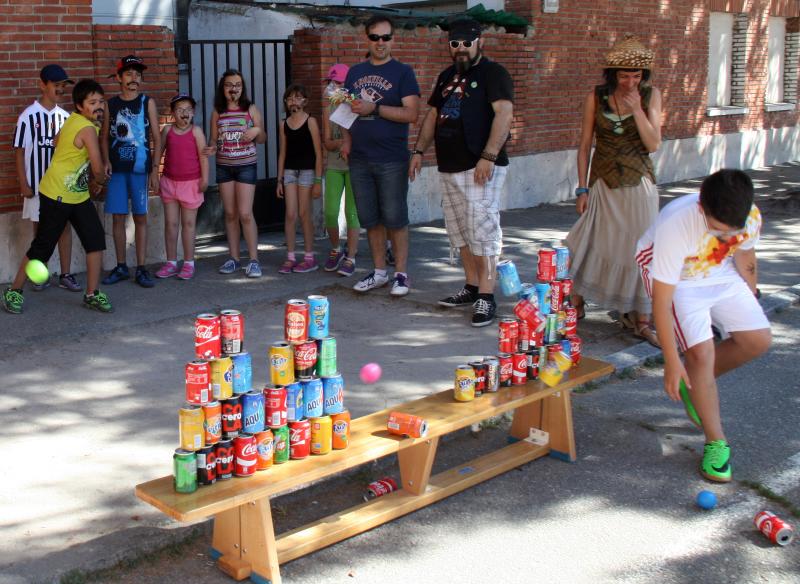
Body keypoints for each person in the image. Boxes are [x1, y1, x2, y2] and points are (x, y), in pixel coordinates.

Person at [636, 169, 771, 483]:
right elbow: (662, 300)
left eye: (730, 233)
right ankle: (716, 442)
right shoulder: (677, 224)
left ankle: (695, 385)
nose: (725, 237)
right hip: (677, 279)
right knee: (700, 354)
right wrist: (671, 361)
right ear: (702, 208)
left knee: (758, 340)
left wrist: (751, 297)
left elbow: (745, 255)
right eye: (717, 230)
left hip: (717, 270)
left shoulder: (748, 215)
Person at [409, 18, 514, 327]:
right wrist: (418, 151)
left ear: (479, 42)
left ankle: (487, 294)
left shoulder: (494, 73)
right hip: (449, 166)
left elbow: (504, 114)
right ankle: (471, 286)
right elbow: (431, 115)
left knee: (483, 231)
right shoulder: (446, 76)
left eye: (466, 43)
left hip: (479, 166)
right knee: (460, 232)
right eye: (455, 44)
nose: (460, 49)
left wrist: (489, 156)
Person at [565, 35, 662, 346]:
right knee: (587, 240)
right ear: (612, 74)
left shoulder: (651, 96)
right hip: (602, 182)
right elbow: (583, 147)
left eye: (636, 76)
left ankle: (641, 318)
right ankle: (575, 304)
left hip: (638, 184)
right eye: (624, 76)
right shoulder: (596, 96)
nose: (630, 82)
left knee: (640, 249)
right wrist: (581, 189)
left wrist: (637, 111)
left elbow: (653, 144)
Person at [3, 79, 112, 314]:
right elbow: (97, 168)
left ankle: (92, 294)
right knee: (42, 248)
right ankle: (14, 291)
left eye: (101, 102)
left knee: (95, 241)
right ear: (80, 106)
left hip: (77, 195)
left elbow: (55, 141)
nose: (99, 106)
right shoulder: (87, 129)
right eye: (92, 102)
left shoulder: (72, 119)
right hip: (56, 195)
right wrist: (101, 180)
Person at [341, 15, 420, 296]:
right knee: (370, 220)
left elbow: (411, 113)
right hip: (360, 157)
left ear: (393, 40)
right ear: (367, 39)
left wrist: (374, 109)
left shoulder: (403, 73)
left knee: (395, 218)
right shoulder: (354, 72)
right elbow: (347, 112)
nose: (380, 43)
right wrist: (347, 141)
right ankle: (379, 273)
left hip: (391, 158)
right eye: (375, 37)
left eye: (386, 37)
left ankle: (400, 274)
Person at [13, 64, 80, 292]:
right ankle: (38, 272)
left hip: (62, 187)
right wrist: (23, 183)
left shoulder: (66, 118)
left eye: (63, 85)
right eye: (56, 85)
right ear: (42, 85)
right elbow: (20, 152)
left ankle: (66, 273)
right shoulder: (28, 117)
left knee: (64, 228)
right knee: (40, 231)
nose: (60, 89)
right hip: (37, 186)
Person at [100, 55, 161, 288]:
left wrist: (155, 170)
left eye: (137, 74)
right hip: (117, 171)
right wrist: (105, 160)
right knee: (117, 217)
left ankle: (142, 268)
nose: (134, 78)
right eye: (128, 73)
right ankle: (121, 266)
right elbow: (104, 136)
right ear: (118, 77)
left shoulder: (148, 103)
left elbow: (156, 137)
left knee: (141, 217)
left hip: (140, 170)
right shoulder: (111, 104)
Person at [209, 69, 266, 278]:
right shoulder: (217, 111)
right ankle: (233, 258)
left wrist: (257, 130)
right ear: (222, 88)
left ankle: (253, 260)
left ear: (242, 88)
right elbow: (213, 140)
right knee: (231, 214)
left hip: (246, 166)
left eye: (237, 84)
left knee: (245, 213)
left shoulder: (250, 109)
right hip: (224, 167)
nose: (234, 88)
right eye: (229, 85)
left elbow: (263, 138)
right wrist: (211, 148)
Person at [153, 93, 209, 280]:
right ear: (172, 113)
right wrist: (154, 174)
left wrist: (205, 179)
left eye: (188, 109)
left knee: (189, 224)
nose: (184, 113)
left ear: (193, 112)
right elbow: (159, 153)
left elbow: (203, 157)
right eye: (179, 110)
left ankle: (188, 262)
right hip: (169, 182)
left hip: (191, 184)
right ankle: (170, 262)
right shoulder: (167, 131)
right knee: (171, 224)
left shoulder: (196, 132)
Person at [276, 84, 323, 273]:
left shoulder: (310, 121)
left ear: (305, 100)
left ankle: (309, 256)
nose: (293, 101)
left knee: (304, 214)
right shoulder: (283, 124)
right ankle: (290, 256)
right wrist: (279, 179)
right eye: (289, 98)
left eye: (297, 97)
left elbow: (318, 153)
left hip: (307, 172)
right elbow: (283, 152)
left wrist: (318, 180)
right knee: (290, 214)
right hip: (289, 171)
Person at [321, 64, 360, 277]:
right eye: (331, 83)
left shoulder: (356, 106)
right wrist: (341, 144)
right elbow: (326, 142)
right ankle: (336, 248)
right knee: (330, 212)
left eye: (337, 83)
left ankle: (351, 256)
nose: (332, 87)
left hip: (354, 167)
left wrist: (349, 143)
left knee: (352, 213)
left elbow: (362, 137)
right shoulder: (327, 108)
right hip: (335, 166)